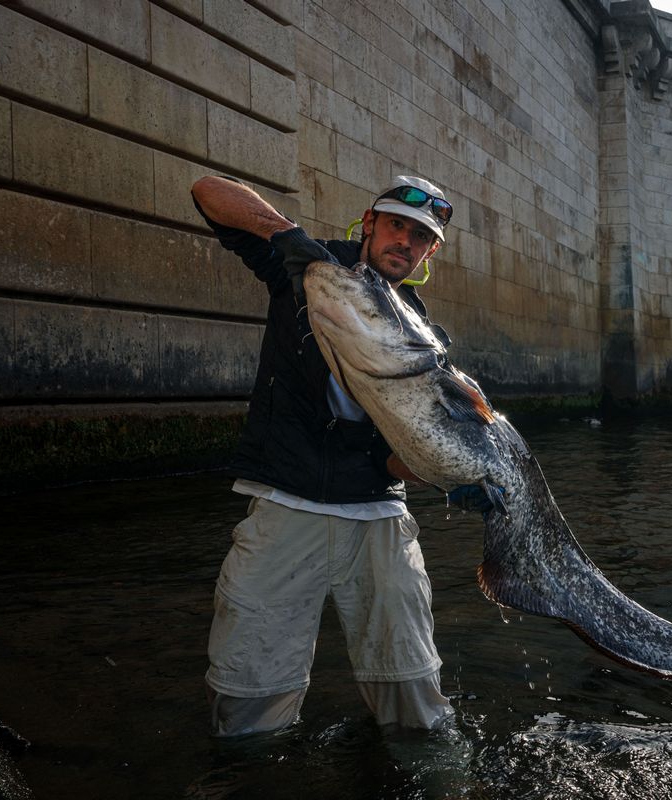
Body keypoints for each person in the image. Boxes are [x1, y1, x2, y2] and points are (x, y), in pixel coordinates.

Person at [190, 173, 460, 737]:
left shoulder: (425, 338)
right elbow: (207, 191)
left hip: (378, 514)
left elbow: (395, 462)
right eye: (395, 225)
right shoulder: (310, 270)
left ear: (429, 251)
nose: (404, 242)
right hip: (286, 500)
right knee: (249, 700)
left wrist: (447, 471)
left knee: (413, 697)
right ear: (369, 223)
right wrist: (288, 237)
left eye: (419, 237)